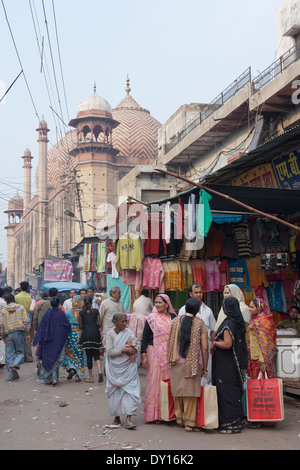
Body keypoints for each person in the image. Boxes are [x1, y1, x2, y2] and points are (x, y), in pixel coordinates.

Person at [168, 297, 209, 432]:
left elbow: (169, 341)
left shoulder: (174, 322)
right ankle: (189, 423)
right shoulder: (200, 323)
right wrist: (205, 367)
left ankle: (179, 419)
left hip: (175, 361)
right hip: (193, 363)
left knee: (178, 391)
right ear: (198, 309)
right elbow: (204, 347)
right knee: (190, 393)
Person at [211, 296, 248, 434]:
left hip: (226, 364)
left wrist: (215, 343)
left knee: (227, 393)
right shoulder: (239, 322)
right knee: (234, 392)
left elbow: (227, 344)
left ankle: (230, 424)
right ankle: (236, 421)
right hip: (234, 363)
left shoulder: (228, 323)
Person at [141, 294, 176, 423]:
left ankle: (168, 413)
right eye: (155, 302)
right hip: (154, 352)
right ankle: (154, 415)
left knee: (168, 383)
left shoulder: (173, 318)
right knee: (154, 382)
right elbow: (145, 337)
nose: (157, 305)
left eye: (160, 302)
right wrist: (143, 355)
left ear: (167, 304)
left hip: (170, 354)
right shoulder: (151, 318)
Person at [105, 312, 141, 429]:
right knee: (115, 392)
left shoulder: (129, 333)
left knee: (131, 391)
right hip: (115, 369)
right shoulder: (110, 334)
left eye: (126, 321)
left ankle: (129, 419)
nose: (125, 324)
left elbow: (136, 347)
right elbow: (109, 352)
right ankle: (117, 417)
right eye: (122, 321)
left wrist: (133, 350)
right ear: (115, 323)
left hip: (129, 368)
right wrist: (123, 350)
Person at [178, 283, 216, 384]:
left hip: (206, 348)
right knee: (190, 374)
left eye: (200, 292)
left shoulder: (208, 311)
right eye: (196, 292)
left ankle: (205, 397)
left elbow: (212, 330)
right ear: (190, 294)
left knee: (207, 374)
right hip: (189, 347)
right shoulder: (183, 310)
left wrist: (213, 345)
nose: (199, 295)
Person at [33, 296, 71, 386]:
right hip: (58, 340)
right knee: (56, 359)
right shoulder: (61, 314)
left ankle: (50, 378)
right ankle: (54, 379)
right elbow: (66, 326)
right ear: (58, 304)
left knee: (49, 359)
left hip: (47, 341)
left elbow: (42, 326)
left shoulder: (47, 313)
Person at [0, 294, 30, 381]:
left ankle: (10, 376)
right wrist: (27, 333)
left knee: (9, 355)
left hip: (8, 333)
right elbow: (26, 320)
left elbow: (1, 324)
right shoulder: (20, 308)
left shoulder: (3, 310)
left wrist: (2, 336)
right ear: (14, 300)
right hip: (19, 332)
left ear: (6, 301)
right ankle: (16, 364)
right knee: (20, 352)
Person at [247, 297, 277, 379]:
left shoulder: (262, 322)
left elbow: (264, 344)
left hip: (260, 359)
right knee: (255, 384)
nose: (249, 309)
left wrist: (262, 362)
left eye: (252, 307)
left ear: (259, 308)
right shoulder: (256, 319)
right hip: (254, 357)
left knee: (261, 385)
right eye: (249, 306)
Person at [79, 294, 103, 383]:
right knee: (96, 354)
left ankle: (91, 378)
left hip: (86, 333)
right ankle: (100, 371)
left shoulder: (81, 312)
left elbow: (80, 326)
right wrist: (94, 326)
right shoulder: (96, 311)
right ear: (91, 301)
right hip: (95, 332)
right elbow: (100, 323)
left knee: (89, 355)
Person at [61, 295, 85, 382]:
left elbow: (65, 324)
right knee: (79, 354)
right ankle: (77, 376)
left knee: (70, 353)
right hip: (79, 334)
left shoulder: (68, 312)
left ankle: (71, 369)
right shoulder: (82, 312)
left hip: (70, 334)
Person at [14, 281, 33, 362]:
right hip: (27, 319)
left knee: (19, 339)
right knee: (27, 339)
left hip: (18, 320)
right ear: (27, 288)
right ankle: (29, 357)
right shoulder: (29, 297)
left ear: (20, 288)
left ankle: (20, 358)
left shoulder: (16, 297)